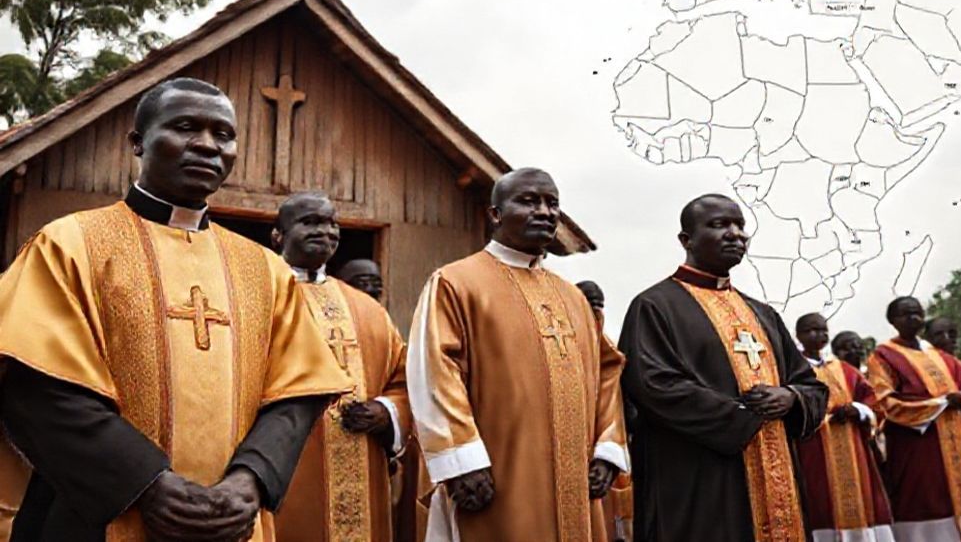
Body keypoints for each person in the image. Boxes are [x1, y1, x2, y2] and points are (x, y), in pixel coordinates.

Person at [0, 78, 350, 540]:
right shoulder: (69, 244)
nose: (207, 145)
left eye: (223, 135)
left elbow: (298, 393)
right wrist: (145, 483)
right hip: (100, 513)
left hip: (234, 521)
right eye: (185, 127)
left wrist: (251, 481)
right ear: (138, 143)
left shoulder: (265, 269)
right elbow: (35, 384)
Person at [407, 167, 628, 541]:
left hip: (576, 479)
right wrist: (462, 460)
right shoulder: (456, 282)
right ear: (495, 214)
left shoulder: (572, 297)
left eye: (552, 203)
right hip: (496, 471)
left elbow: (607, 373)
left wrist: (607, 451)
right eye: (528, 201)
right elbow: (434, 370)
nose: (544, 211)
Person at [618, 193, 828, 541]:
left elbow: (810, 383)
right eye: (719, 225)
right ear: (686, 240)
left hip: (778, 473)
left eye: (740, 225)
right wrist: (744, 414)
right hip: (699, 474)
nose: (735, 234)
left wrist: (791, 398)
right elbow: (652, 385)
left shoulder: (763, 313)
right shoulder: (655, 306)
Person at [271, 193, 410, 541]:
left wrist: (387, 411)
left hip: (362, 463)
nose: (326, 231)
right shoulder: (258, 292)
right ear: (278, 235)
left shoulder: (367, 308)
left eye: (332, 223)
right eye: (311, 222)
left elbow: (405, 377)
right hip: (286, 464)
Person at [867, 296, 961, 541]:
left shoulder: (942, 356)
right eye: (905, 314)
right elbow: (885, 401)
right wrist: (940, 404)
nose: (913, 318)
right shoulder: (884, 355)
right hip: (921, 445)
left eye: (917, 313)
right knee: (928, 502)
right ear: (892, 320)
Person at [795, 313, 894, 541]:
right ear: (798, 335)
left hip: (854, 448)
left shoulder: (843, 369)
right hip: (816, 448)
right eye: (811, 330)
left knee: (862, 501)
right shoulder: (794, 368)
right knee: (822, 503)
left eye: (823, 330)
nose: (818, 335)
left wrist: (857, 409)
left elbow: (873, 402)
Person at [577, 280, 634, 542]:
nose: (594, 315)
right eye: (588, 307)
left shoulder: (611, 355)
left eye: (599, 308)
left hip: (610, 453)